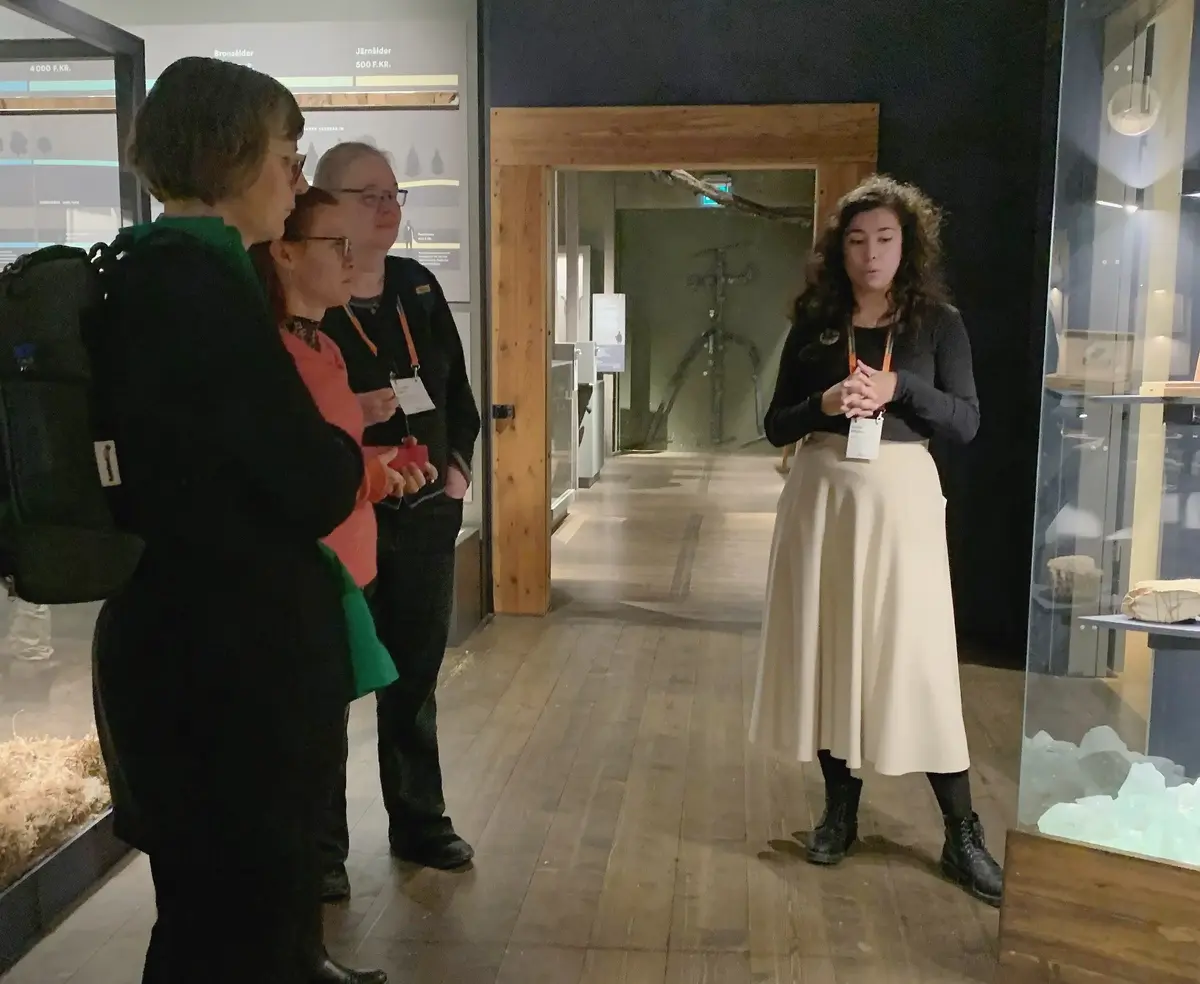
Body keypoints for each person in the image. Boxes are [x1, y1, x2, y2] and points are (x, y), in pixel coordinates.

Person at [89, 58, 386, 983]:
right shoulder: (201, 288)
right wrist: (345, 456)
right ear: (232, 156)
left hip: (181, 645)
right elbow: (308, 481)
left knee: (208, 919)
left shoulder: (143, 272)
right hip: (228, 664)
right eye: (287, 155)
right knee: (239, 928)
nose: (296, 180)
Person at [749, 175, 1004, 906]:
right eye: (857, 240)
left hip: (902, 503)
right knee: (830, 648)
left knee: (918, 661)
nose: (871, 254)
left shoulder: (938, 324)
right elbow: (775, 423)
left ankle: (961, 832)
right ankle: (840, 809)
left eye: (885, 239)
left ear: (908, 244)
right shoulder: (816, 320)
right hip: (822, 497)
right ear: (840, 249)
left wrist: (900, 391)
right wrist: (824, 402)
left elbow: (966, 421)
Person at [312, 142, 481, 896]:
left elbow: (456, 394)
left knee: (414, 677)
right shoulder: (307, 296)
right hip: (345, 517)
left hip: (425, 517)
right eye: (367, 195)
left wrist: (458, 471)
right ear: (324, 204)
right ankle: (322, 849)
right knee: (329, 682)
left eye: (393, 193)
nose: (387, 208)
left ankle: (419, 821)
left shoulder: (417, 286)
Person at [249, 185, 435, 590]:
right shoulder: (271, 358)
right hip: (312, 578)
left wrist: (386, 461)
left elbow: (328, 452)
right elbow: (293, 479)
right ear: (285, 253)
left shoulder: (325, 346)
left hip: (353, 565)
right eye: (337, 244)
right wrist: (371, 476)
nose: (351, 259)